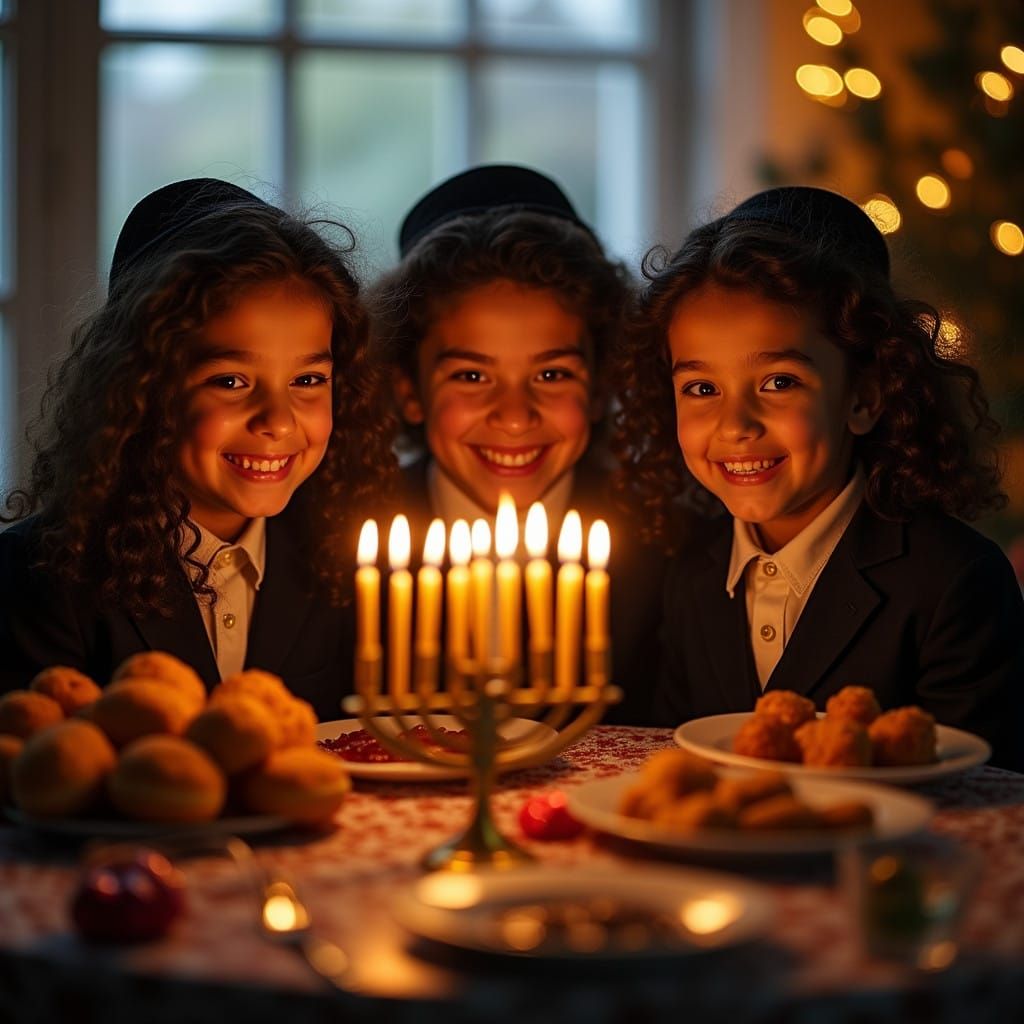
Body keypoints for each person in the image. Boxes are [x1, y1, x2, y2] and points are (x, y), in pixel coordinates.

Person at [616, 185, 1024, 770]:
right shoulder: (688, 572)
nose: (735, 426)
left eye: (779, 382)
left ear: (865, 395)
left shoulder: (955, 581)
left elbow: (984, 800)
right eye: (702, 389)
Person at [0, 178, 396, 719]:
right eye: (231, 381)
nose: (278, 422)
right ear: (144, 388)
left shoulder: (350, 559)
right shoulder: (40, 577)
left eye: (307, 381)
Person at [370, 164, 663, 724]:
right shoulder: (339, 545)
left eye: (552, 375)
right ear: (409, 391)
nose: (513, 416)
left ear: (602, 387)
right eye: (471, 376)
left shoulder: (665, 547)